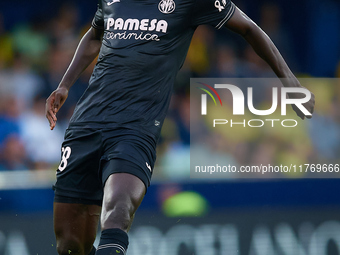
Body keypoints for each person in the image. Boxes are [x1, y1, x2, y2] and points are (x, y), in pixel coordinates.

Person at [45, 0, 315, 254]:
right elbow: (95, 35)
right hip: (87, 123)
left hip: (135, 129)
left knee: (118, 209)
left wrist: (289, 82)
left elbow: (249, 28)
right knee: (69, 244)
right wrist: (65, 84)